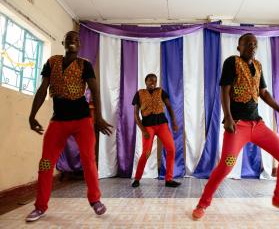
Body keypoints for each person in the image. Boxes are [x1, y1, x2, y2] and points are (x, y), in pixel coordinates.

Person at [192, 33, 279, 220]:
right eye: (247, 44)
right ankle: (203, 203)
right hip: (237, 126)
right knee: (226, 166)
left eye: (254, 44)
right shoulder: (232, 62)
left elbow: (263, 93)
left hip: (257, 125)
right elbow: (225, 90)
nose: (252, 47)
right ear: (239, 47)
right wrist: (227, 117)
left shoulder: (258, 66)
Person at [26, 31, 112, 222]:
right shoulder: (52, 62)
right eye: (69, 38)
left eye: (76, 38)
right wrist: (32, 115)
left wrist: (98, 117)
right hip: (58, 121)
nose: (73, 40)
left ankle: (95, 200)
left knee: (89, 161)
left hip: (82, 121)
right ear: (63, 42)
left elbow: (95, 91)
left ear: (79, 45)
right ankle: (40, 207)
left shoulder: (84, 64)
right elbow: (42, 89)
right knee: (46, 163)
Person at [131, 73, 181, 188]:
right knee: (146, 152)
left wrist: (173, 122)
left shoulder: (161, 92)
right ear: (146, 81)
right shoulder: (139, 94)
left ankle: (169, 179)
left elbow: (169, 107)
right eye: (150, 80)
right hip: (148, 127)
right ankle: (137, 178)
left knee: (171, 149)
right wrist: (143, 130)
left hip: (162, 125)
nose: (152, 82)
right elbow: (136, 114)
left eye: (154, 80)